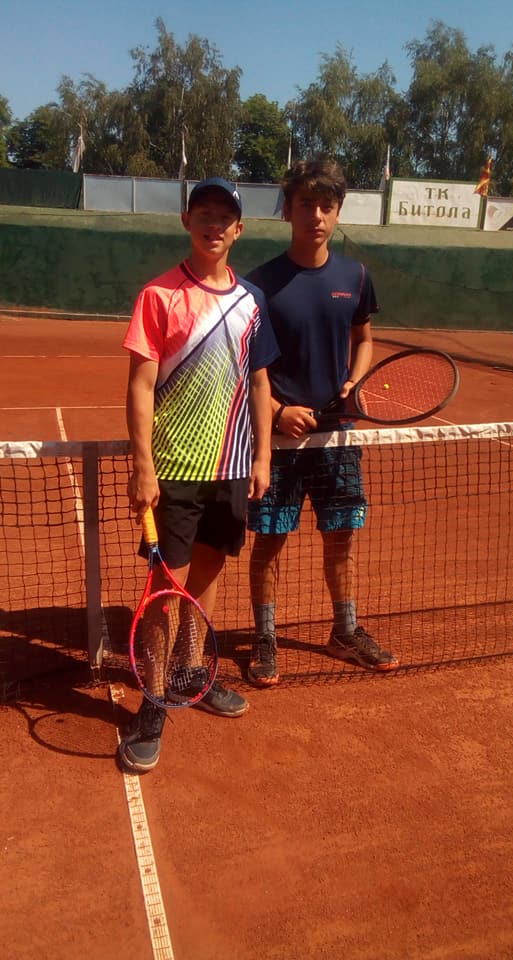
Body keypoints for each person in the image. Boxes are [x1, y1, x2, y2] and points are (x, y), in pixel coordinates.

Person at [119, 176, 280, 771]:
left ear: (239, 229)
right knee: (165, 592)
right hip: (175, 470)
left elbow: (259, 383)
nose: (214, 225)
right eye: (203, 214)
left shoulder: (252, 301)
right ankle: (154, 701)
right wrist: (143, 465)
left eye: (224, 217)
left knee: (206, 578)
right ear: (188, 222)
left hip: (232, 467)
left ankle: (191, 672)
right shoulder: (159, 296)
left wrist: (262, 457)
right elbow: (140, 385)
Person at [246, 158, 399, 688]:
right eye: (306, 204)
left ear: (337, 213)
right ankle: (265, 637)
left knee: (341, 537)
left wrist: (354, 381)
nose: (316, 215)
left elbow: (364, 339)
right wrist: (277, 411)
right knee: (270, 541)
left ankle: (345, 630)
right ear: (288, 210)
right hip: (279, 442)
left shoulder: (355, 277)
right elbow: (245, 367)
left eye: (326, 206)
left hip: (337, 436)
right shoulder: (258, 284)